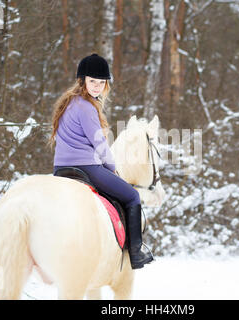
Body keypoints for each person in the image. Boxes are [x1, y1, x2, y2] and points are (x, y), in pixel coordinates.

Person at [48, 53, 153, 269]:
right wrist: (112, 168)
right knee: (132, 196)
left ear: (106, 84)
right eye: (92, 81)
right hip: (87, 167)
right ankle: (136, 253)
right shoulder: (87, 106)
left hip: (61, 168)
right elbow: (100, 144)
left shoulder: (68, 102)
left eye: (101, 82)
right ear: (83, 80)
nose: (96, 86)